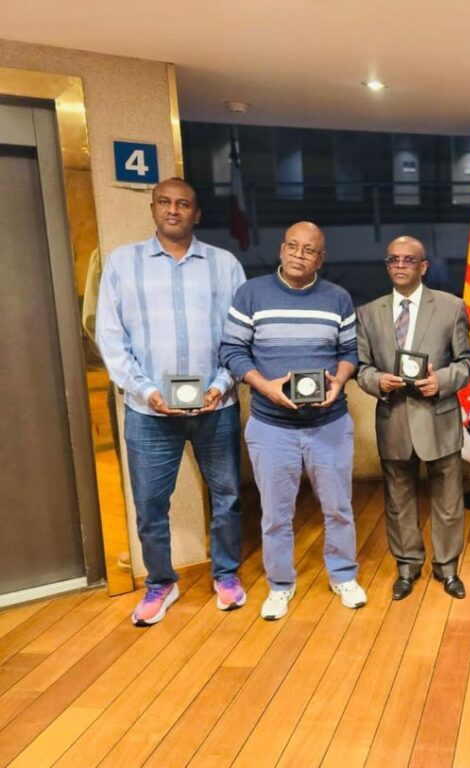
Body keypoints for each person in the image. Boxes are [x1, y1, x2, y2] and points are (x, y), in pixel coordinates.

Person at [96, 177, 246, 626]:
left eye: (183, 203)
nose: (173, 210)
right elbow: (111, 339)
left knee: (227, 497)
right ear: (153, 208)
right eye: (164, 202)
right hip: (149, 412)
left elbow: (240, 335)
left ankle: (226, 574)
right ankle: (161, 583)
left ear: (196, 214)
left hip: (216, 407)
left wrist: (222, 384)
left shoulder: (224, 265)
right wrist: (147, 391)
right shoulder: (123, 263)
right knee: (149, 504)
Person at [221, 221, 365, 620]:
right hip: (271, 426)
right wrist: (264, 386)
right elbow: (231, 351)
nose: (299, 255)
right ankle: (280, 585)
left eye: (309, 250)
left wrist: (339, 381)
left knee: (339, 508)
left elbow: (350, 352)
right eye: (293, 246)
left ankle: (343, 575)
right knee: (275, 515)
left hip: (329, 423)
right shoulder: (251, 294)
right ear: (281, 249)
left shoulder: (337, 298)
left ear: (321, 258)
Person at [355, 236, 470, 600]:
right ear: (387, 266)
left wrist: (443, 381)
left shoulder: (451, 307)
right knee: (398, 500)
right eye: (394, 259)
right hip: (394, 419)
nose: (400, 265)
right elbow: (361, 368)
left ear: (423, 266)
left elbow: (466, 362)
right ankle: (407, 567)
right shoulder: (368, 313)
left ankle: (448, 568)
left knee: (449, 500)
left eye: (409, 259)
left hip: (438, 417)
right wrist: (377, 381)